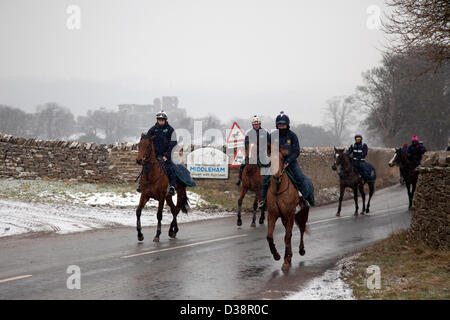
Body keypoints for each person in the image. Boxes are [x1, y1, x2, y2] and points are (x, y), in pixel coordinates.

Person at [258, 111, 310, 209]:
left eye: (283, 125)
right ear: (277, 125)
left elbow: (296, 151)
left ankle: (303, 200)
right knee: (265, 179)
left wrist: (288, 160)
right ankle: (263, 201)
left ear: (287, 125)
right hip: (276, 162)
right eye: (279, 125)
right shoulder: (272, 136)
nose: (281, 127)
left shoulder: (292, 136)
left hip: (290, 162)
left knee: (300, 177)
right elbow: (267, 149)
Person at [137, 110, 178, 196]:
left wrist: (167, 155)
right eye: (159, 119)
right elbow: (147, 141)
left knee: (171, 168)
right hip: (154, 155)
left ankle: (172, 187)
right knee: (145, 167)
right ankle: (140, 184)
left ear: (165, 120)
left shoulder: (170, 130)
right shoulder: (152, 129)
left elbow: (174, 143)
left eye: (162, 119)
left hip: (166, 155)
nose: (160, 121)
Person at [235, 115, 270, 186]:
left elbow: (269, 143)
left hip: (262, 154)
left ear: (260, 124)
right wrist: (247, 154)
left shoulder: (265, 133)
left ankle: (268, 180)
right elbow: (246, 144)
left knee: (267, 165)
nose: (256, 126)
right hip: (252, 154)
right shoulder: (249, 133)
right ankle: (239, 179)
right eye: (255, 124)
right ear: (252, 125)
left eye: (257, 124)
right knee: (242, 165)